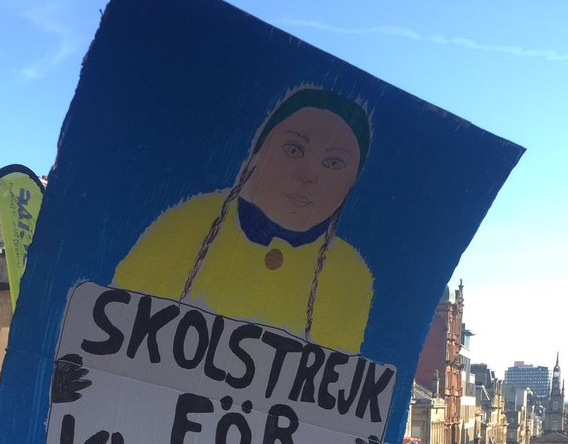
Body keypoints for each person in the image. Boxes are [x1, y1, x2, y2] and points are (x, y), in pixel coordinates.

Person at [113, 87, 373, 353]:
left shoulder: (351, 276)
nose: (308, 175)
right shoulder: (188, 222)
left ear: (351, 183)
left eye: (333, 163)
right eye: (294, 150)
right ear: (258, 153)